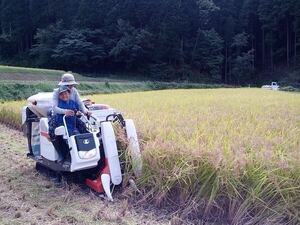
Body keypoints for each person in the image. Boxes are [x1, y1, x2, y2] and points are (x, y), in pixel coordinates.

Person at [48, 86, 88, 163]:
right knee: (69, 140)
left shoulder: (73, 103)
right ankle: (66, 157)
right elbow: (57, 113)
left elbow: (77, 110)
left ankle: (84, 155)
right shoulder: (59, 105)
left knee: (79, 136)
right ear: (59, 96)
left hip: (72, 126)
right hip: (64, 125)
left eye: (66, 93)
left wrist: (79, 113)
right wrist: (65, 112)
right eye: (61, 95)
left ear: (69, 94)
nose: (64, 96)